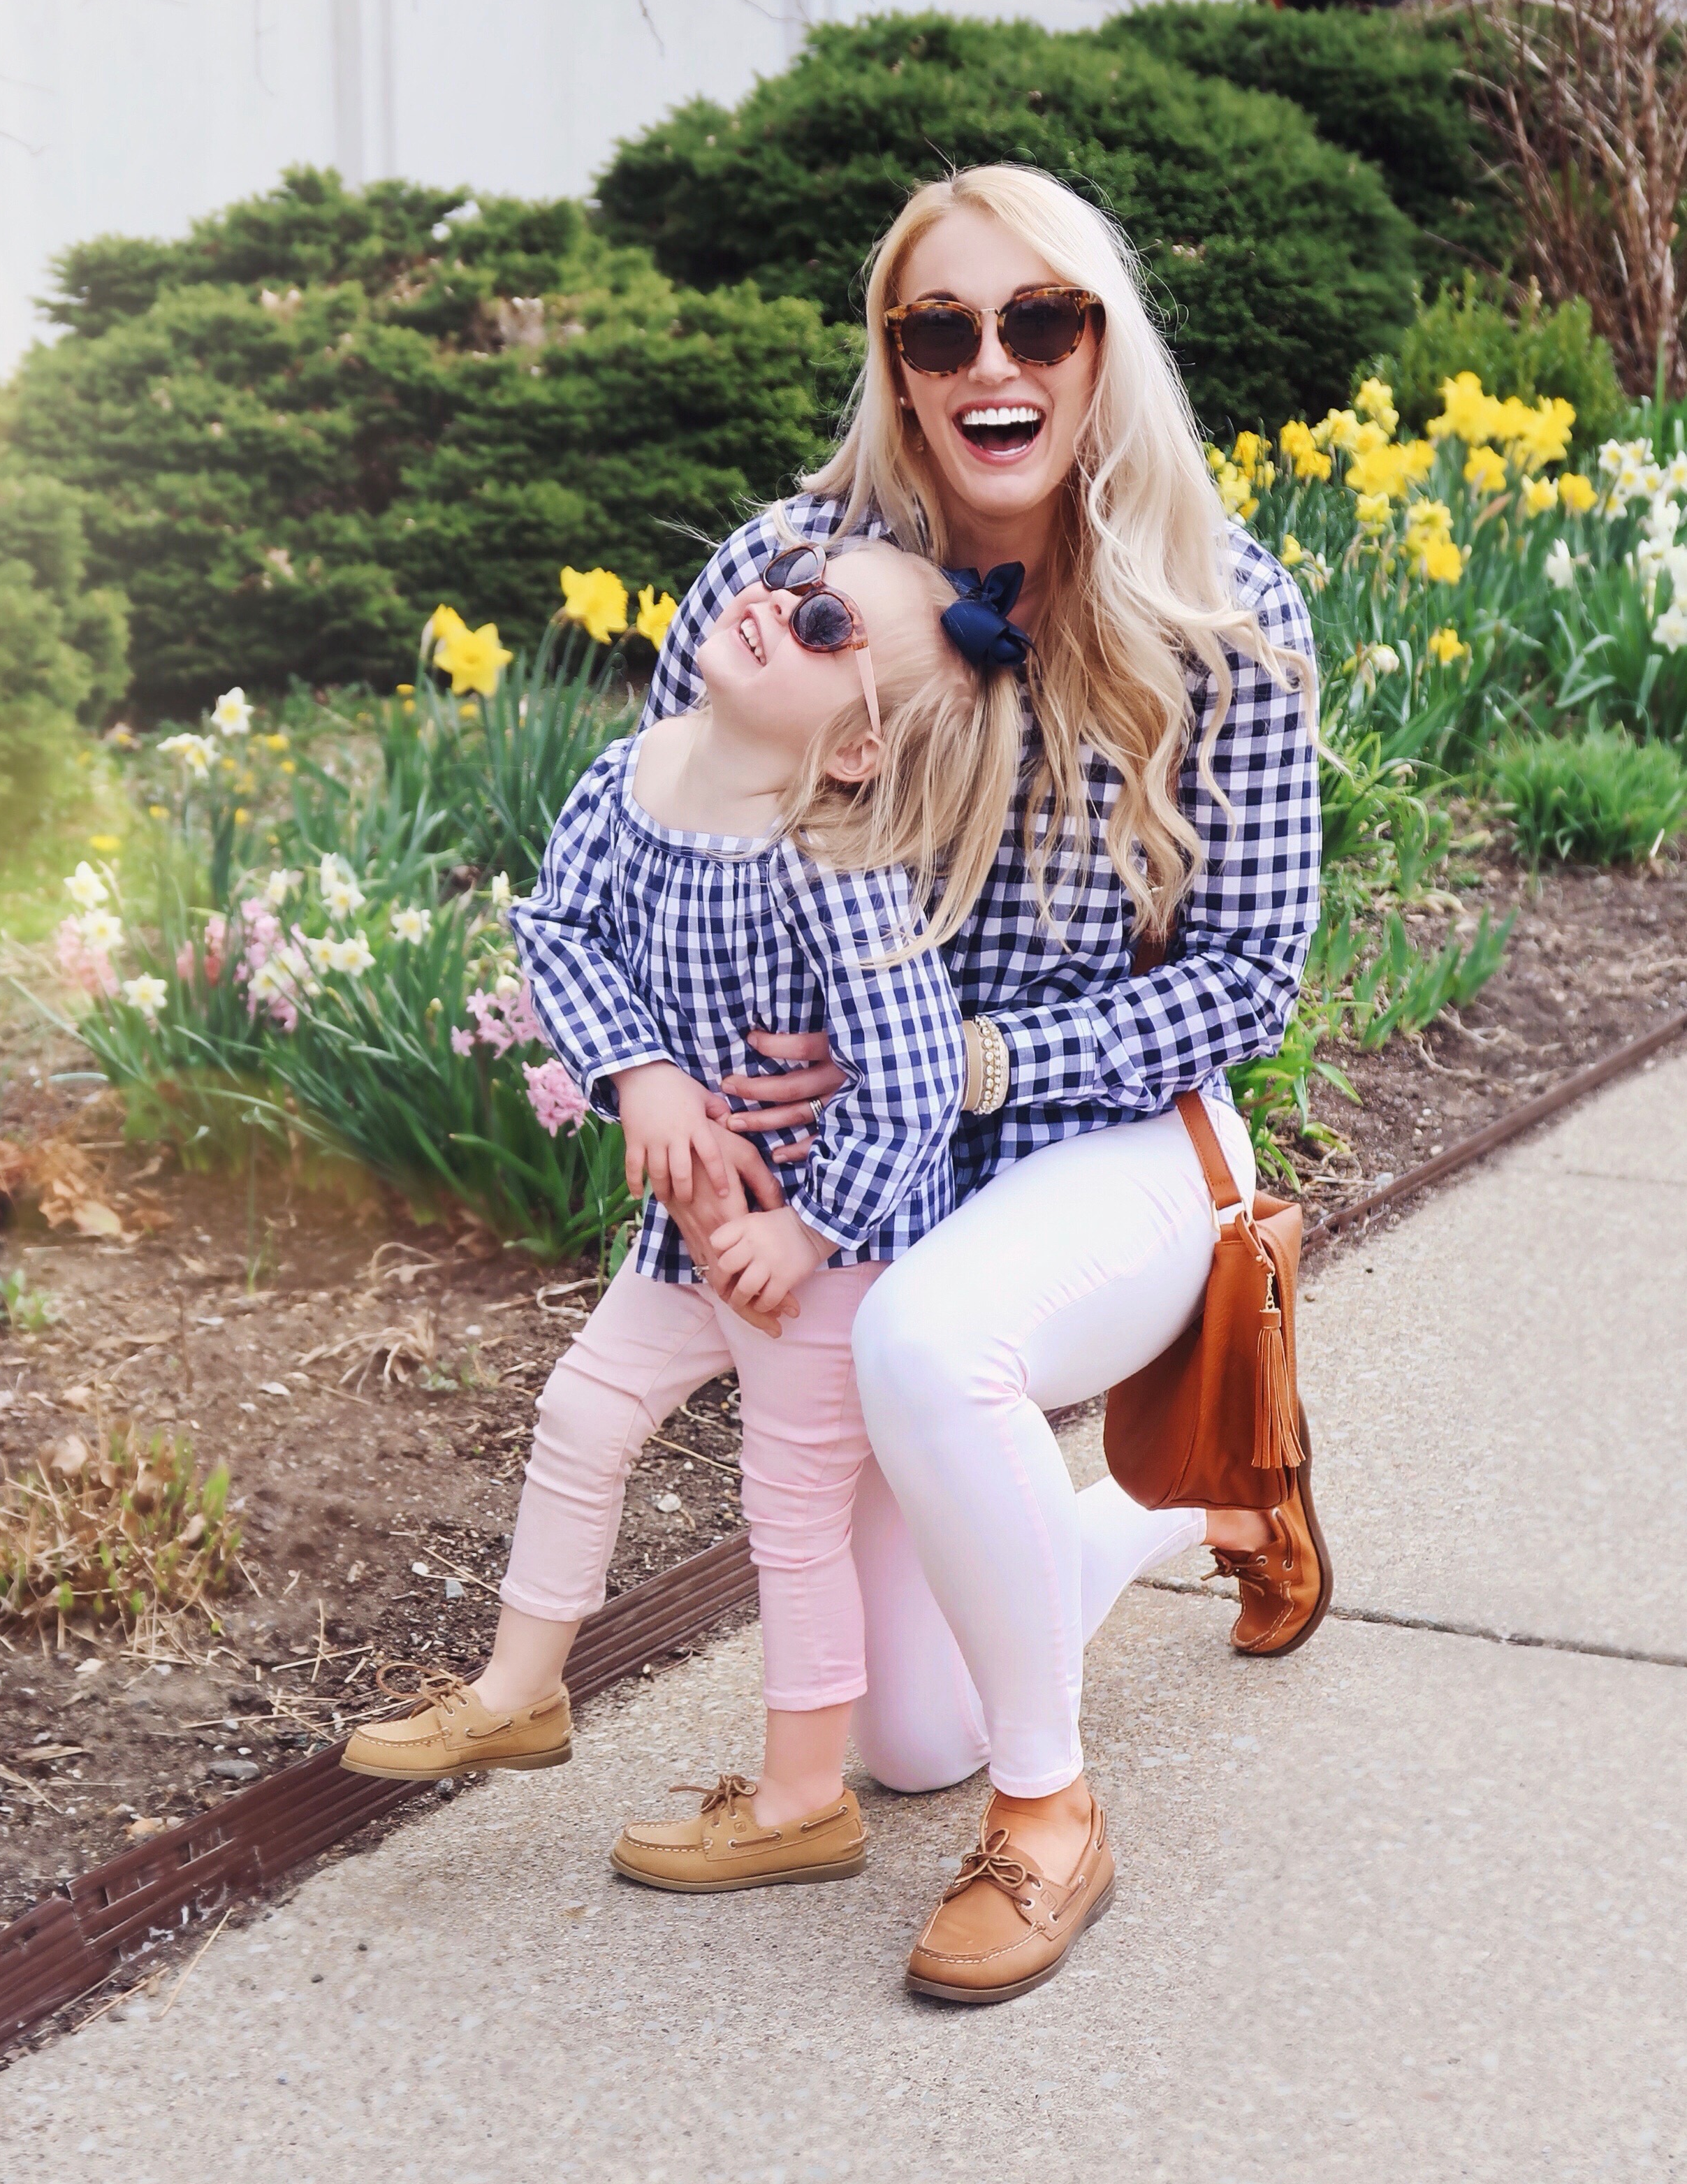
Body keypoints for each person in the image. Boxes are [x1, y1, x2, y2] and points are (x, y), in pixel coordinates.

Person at [621, 164, 1327, 2003]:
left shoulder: (1219, 605)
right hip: (870, 1167)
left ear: (1101, 345)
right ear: (895, 359)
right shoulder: (782, 578)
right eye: (940, 327)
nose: (989, 362)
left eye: (1040, 319)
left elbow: (1249, 979)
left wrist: (964, 1064)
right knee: (904, 1731)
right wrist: (678, 1075)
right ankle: (1214, 1494)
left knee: (927, 1347)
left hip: (1117, 1135)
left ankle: (1050, 1821)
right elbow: (646, 844)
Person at [342, 539, 1027, 1894]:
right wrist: (639, 1069)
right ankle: (520, 1690)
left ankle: (799, 1799)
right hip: (693, 1224)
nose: (776, 599)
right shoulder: (634, 774)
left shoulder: (835, 860)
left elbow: (912, 1078)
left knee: (791, 1512)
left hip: (825, 1245)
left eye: (825, 618)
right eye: (792, 575)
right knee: (584, 1410)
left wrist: (811, 1230)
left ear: (852, 752)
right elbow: (561, 929)